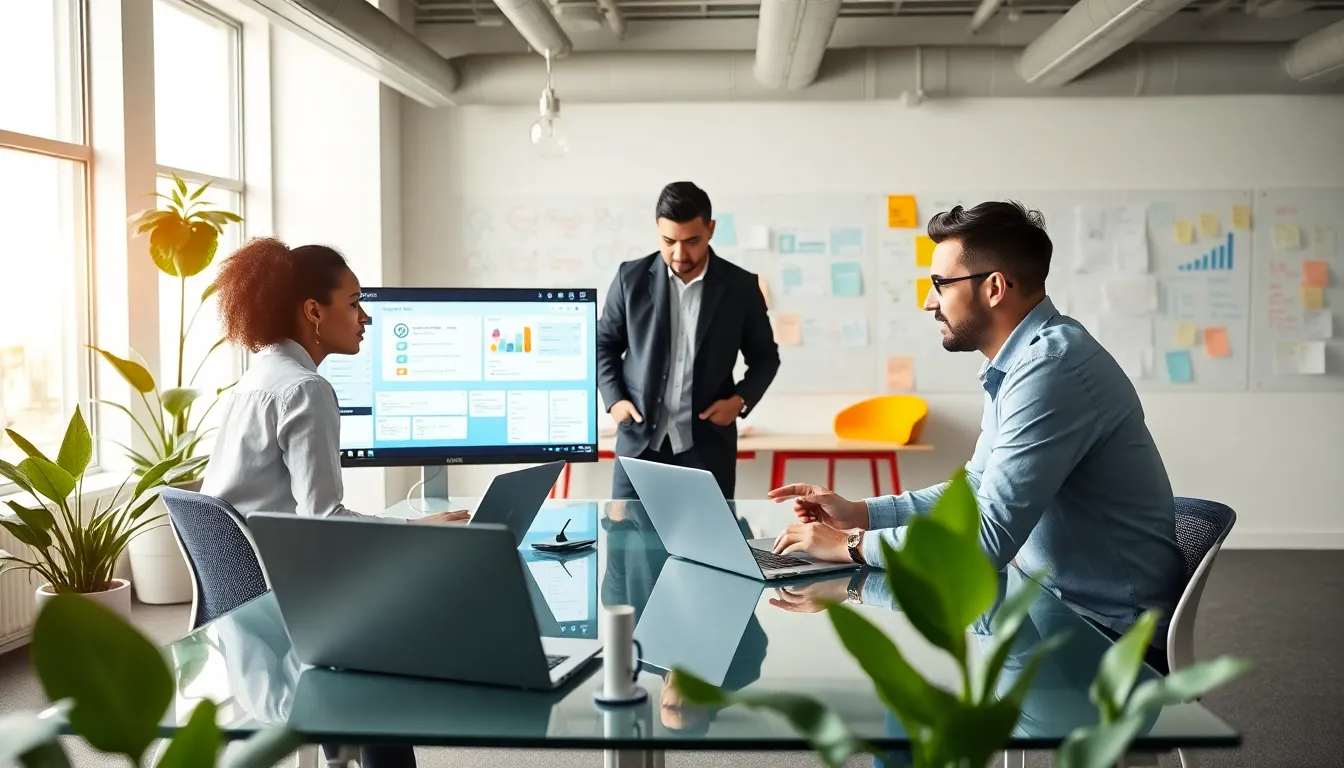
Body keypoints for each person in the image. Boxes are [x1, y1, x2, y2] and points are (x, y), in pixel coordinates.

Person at [768, 202, 1183, 671]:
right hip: (1045, 601)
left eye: (940, 285)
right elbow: (973, 494)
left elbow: (986, 542)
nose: (929, 302)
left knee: (908, 689)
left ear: (994, 288)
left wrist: (852, 545)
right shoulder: (1020, 363)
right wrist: (861, 513)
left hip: (1109, 635)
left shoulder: (1051, 368)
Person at [203, 237, 466, 768]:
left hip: (245, 616)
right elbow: (324, 523)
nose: (366, 317)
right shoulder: (304, 389)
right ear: (313, 312)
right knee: (418, 601)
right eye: (354, 303)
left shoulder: (253, 379)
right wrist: (415, 530)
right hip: (290, 610)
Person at [599, 182, 780, 500]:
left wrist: (739, 402)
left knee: (710, 546)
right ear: (657, 230)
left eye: (692, 241)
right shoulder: (630, 279)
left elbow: (766, 357)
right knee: (625, 545)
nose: (680, 254)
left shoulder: (741, 287)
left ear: (710, 229)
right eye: (669, 241)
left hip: (708, 449)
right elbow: (604, 345)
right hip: (638, 445)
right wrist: (615, 401)